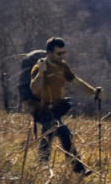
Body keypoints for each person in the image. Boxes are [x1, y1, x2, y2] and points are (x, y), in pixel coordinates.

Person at [29, 36, 102, 174]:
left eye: (64, 53)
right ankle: (78, 169)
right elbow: (34, 89)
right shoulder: (39, 67)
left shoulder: (63, 67)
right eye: (59, 53)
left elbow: (77, 82)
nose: (62, 56)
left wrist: (93, 91)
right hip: (41, 109)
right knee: (63, 131)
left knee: (50, 133)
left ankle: (42, 168)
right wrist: (41, 73)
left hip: (56, 109)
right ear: (49, 53)